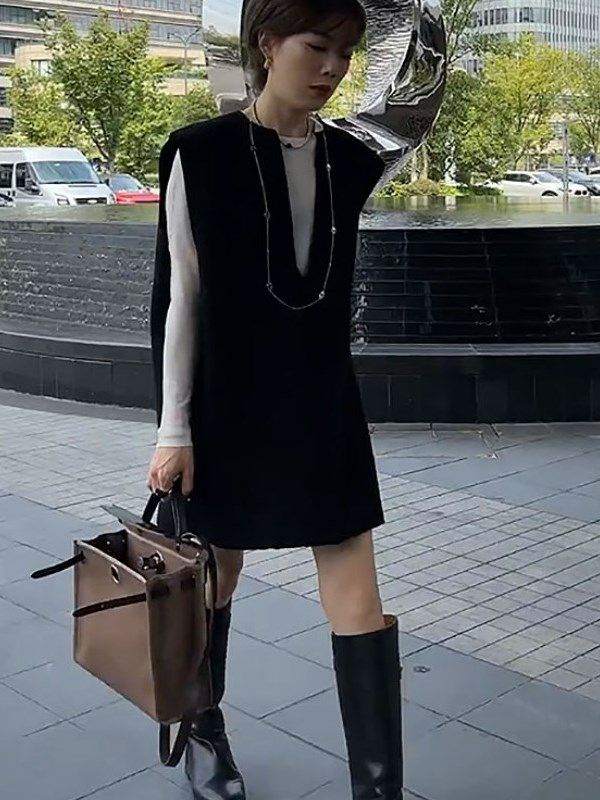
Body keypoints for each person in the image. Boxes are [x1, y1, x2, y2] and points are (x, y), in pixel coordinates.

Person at [146, 1, 403, 798]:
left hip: (324, 404)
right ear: (267, 42)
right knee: (215, 576)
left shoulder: (352, 160)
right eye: (316, 46)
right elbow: (181, 298)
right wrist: (173, 430)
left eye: (346, 53)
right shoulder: (200, 151)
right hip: (227, 404)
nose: (333, 68)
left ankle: (378, 787)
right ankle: (204, 730)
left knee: (359, 597)